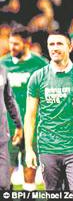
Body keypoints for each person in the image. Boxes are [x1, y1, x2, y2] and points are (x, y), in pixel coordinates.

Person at [23, 31, 73, 191]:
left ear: (70, 47)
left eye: (59, 44)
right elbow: (30, 116)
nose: (54, 48)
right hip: (48, 149)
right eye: (51, 44)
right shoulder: (37, 77)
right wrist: (29, 149)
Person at [0, 26, 47, 191]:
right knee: (5, 172)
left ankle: (29, 193)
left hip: (33, 126)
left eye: (16, 44)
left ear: (27, 43)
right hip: (7, 127)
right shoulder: (2, 64)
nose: (11, 47)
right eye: (10, 43)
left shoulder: (40, 65)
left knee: (29, 171)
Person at [0, 57, 22, 190]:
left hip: (1, 138)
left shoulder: (2, 70)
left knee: (4, 184)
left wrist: (19, 124)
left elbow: (9, 99)